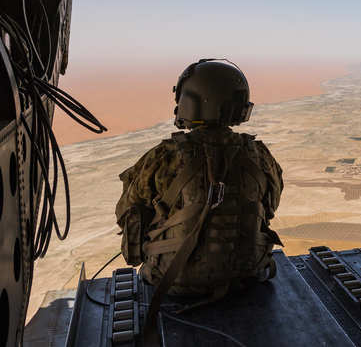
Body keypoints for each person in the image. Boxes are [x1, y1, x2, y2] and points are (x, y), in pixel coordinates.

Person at [115, 59, 284, 304]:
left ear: (190, 102)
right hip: (248, 276)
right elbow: (270, 207)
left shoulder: (164, 157)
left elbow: (129, 213)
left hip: (174, 282)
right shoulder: (260, 156)